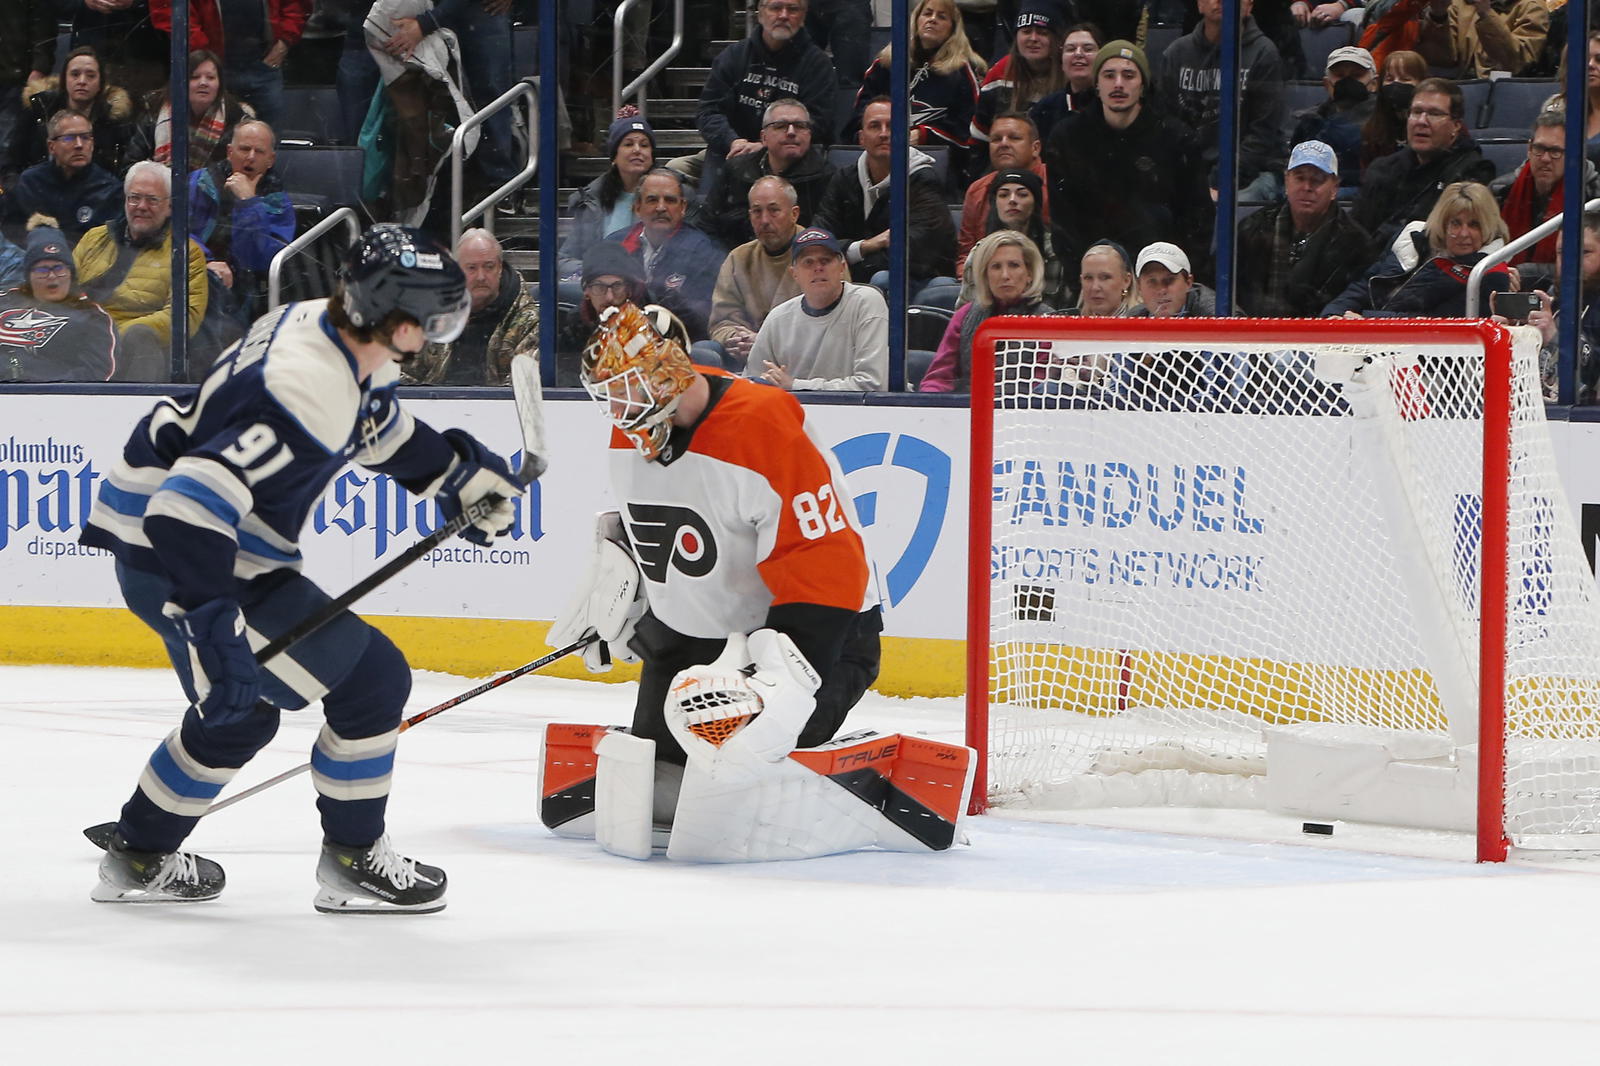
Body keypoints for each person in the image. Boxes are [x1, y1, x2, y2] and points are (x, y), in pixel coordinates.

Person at [79, 224, 523, 910]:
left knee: (241, 714)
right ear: (392, 315)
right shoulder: (305, 387)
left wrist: (456, 476)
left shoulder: (320, 324)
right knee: (373, 679)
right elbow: (185, 508)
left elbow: (374, 424)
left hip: (178, 538)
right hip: (181, 548)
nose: (440, 331)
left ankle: (139, 855)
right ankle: (352, 857)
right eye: (433, 316)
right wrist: (214, 625)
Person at [548, 299, 899, 862]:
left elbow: (825, 560)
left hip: (813, 638)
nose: (619, 408)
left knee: (740, 765)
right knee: (663, 791)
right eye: (609, 394)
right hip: (694, 641)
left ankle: (811, 746)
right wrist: (622, 596)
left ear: (668, 371)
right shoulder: (634, 431)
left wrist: (778, 686)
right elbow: (652, 530)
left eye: (628, 389)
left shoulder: (764, 423)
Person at [1045, 41, 1207, 285]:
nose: (1118, 83)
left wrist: (1174, 277)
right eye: (1109, 75)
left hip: (1160, 277)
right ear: (1097, 85)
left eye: (1129, 75)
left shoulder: (1176, 138)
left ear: (1142, 85)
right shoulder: (1067, 137)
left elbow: (1197, 218)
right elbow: (1064, 225)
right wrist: (1086, 279)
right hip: (1093, 281)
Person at [685, 0, 837, 199]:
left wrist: (766, 145)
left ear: (803, 17)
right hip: (731, 151)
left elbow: (819, 123)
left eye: (792, 9)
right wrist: (733, 142)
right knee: (674, 174)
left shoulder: (818, 65)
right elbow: (708, 112)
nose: (783, 15)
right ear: (760, 14)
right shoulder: (733, 56)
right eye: (775, 8)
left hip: (790, 157)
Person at [75, 160, 209, 381]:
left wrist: (117, 333)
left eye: (152, 200)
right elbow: (68, 292)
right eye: (134, 198)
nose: (141, 206)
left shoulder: (186, 252)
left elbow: (185, 316)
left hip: (137, 348)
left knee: (140, 337)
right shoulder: (94, 238)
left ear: (169, 207)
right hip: (86, 339)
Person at [814, 96, 956, 292]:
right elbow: (819, 238)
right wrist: (866, 246)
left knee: (882, 280)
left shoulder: (923, 179)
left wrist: (850, 260)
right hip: (851, 277)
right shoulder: (844, 178)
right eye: (874, 126)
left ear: (906, 136)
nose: (883, 134)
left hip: (917, 280)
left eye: (891, 126)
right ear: (861, 138)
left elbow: (914, 252)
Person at [1159, 0, 1287, 203]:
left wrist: (1216, 182)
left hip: (1251, 173)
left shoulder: (1264, 54)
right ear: (1199, 5)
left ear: (1249, 6)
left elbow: (1262, 135)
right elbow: (1166, 122)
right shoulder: (1176, 53)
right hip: (1193, 171)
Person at [1323, 179, 1513, 317]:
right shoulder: (1412, 239)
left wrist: (1366, 322)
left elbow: (1434, 323)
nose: (1464, 233)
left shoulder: (1490, 274)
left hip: (1427, 362)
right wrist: (1332, 316)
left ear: (1488, 227)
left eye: (1474, 225)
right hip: (1371, 341)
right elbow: (1365, 285)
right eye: (1455, 223)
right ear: (1442, 223)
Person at [1351, 77, 1495, 255]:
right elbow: (1355, 233)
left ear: (1456, 126)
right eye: (1416, 112)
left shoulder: (1472, 173)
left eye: (1434, 114)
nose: (1421, 121)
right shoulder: (1383, 168)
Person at [1235, 140, 1374, 316]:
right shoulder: (1251, 228)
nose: (1307, 187)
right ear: (1287, 182)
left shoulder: (1357, 243)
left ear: (1334, 188)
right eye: (1300, 177)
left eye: (1317, 179)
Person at [745, 226, 887, 391]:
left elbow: (872, 385)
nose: (818, 268)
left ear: (842, 267)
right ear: (794, 273)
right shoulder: (778, 318)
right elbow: (752, 383)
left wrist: (794, 385)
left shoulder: (867, 302)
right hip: (795, 412)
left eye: (825, 260)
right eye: (808, 262)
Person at [188, 118, 296, 331]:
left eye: (259, 151)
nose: (250, 157)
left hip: (245, 291)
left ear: (271, 160)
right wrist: (204, 262)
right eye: (244, 149)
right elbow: (175, 231)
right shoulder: (198, 182)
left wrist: (249, 203)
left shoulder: (278, 203)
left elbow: (259, 259)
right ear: (230, 152)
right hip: (194, 273)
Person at [920, 230, 1053, 394]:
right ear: (985, 275)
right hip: (966, 412)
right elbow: (938, 378)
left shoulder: (1050, 322)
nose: (1005, 275)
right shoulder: (965, 315)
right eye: (996, 267)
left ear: (1030, 274)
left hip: (1023, 415)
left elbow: (1042, 388)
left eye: (1014, 265)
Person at [404, 228, 538, 385]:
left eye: (489, 267)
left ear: (500, 268)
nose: (481, 277)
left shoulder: (528, 320)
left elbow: (524, 386)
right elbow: (403, 371)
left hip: (497, 405)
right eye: (472, 268)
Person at [849, 0, 986, 154]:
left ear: (953, 29)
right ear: (916, 20)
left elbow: (968, 127)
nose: (932, 19)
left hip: (936, 157)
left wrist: (924, 135)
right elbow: (859, 117)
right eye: (927, 13)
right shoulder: (885, 65)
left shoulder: (962, 70)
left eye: (942, 17)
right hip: (881, 151)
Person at [607, 168, 725, 343]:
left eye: (670, 200)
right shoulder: (614, 246)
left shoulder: (702, 251)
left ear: (683, 207)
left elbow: (698, 316)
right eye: (652, 200)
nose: (661, 208)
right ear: (637, 207)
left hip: (678, 347)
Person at [151, 0, 311, 128]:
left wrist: (284, 41)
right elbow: (169, 12)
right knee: (203, 150)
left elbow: (297, 7)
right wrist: (205, 56)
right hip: (209, 71)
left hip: (264, 66)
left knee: (267, 148)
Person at [1493, 110, 1600, 295]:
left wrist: (1524, 272)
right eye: (1539, 149)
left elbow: (1587, 264)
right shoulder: (1501, 190)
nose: (1545, 158)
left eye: (1555, 151)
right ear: (1529, 148)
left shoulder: (1594, 197)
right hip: (1503, 289)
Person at [708, 99, 836, 248]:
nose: (791, 132)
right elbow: (708, 222)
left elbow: (825, 235)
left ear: (809, 135)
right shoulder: (736, 169)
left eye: (800, 126)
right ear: (763, 137)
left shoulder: (827, 176)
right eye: (780, 126)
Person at [0, 220, 117, 382]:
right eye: (42, 270)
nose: (52, 277)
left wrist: (46, 389)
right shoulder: (4, 302)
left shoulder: (93, 317)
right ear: (29, 276)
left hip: (58, 398)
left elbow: (97, 373)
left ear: (70, 273)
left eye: (59, 268)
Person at [708, 176, 805, 371]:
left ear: (794, 214)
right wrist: (736, 339)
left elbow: (829, 327)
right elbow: (721, 321)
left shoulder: (818, 256)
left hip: (803, 361)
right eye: (757, 212)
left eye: (774, 210)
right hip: (746, 359)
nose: (764, 220)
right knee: (705, 350)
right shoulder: (739, 257)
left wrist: (764, 343)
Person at [5, 47, 137, 190]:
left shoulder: (114, 121)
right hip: (36, 194)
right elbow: (10, 163)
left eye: (90, 76)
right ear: (64, 80)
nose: (82, 81)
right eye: (75, 74)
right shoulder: (38, 110)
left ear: (101, 83)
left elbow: (122, 172)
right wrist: (20, 192)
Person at [558, 114, 657, 285]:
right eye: (628, 144)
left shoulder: (668, 198)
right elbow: (564, 260)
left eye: (644, 145)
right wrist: (596, 272)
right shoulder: (591, 200)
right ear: (613, 157)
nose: (637, 150)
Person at [969, 1, 1067, 172]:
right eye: (1026, 31)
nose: (1033, 39)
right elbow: (980, 142)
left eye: (1042, 32)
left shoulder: (1069, 74)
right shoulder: (999, 73)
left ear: (1056, 38)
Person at [2, 110, 125, 244]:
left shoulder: (109, 189)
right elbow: (11, 232)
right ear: (51, 146)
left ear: (92, 144)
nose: (79, 145)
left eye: (85, 137)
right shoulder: (30, 183)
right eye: (69, 138)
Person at [128, 50, 257, 174]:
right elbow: (130, 166)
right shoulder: (154, 113)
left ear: (220, 84)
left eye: (211, 77)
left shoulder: (237, 120)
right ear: (180, 82)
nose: (203, 83)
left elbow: (249, 170)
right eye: (194, 77)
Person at [956, 111, 1048, 275]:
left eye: (1014, 138)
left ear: (1035, 148)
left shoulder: (1057, 183)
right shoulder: (977, 190)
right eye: (996, 139)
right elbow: (966, 251)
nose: (1003, 144)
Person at [1527, 211, 1600, 403]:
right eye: (1562, 252)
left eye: (1584, 252)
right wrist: (1510, 333)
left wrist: (1555, 337)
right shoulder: (1553, 300)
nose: (1570, 262)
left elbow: (1592, 375)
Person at [961, 167, 1064, 303]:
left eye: (1022, 194)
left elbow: (1057, 306)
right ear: (995, 204)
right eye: (1004, 195)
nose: (1012, 200)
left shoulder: (1053, 248)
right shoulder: (980, 252)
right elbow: (965, 308)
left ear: (1035, 203)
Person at [1289, 45, 1378, 190]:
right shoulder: (1310, 120)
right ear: (1326, 84)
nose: (1348, 82)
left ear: (1374, 84)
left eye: (1356, 76)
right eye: (1340, 76)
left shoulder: (1383, 121)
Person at [1413, 0, 1549, 80]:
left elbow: (1517, 61)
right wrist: (1438, 15)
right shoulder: (1460, 4)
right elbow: (1440, 59)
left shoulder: (1532, 6)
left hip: (1505, 89)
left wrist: (1486, 14)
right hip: (1458, 84)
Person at [1028, 22, 1106, 144]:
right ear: (1061, 61)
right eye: (1070, 49)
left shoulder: (1112, 105)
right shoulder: (1044, 109)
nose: (1078, 54)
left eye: (1088, 49)